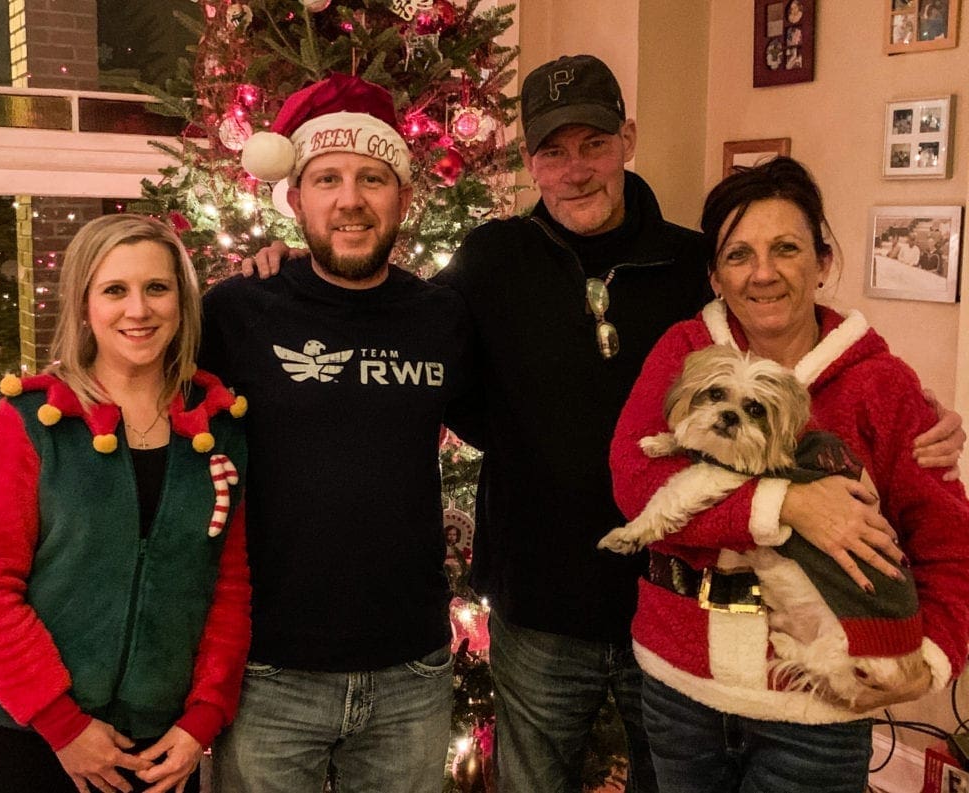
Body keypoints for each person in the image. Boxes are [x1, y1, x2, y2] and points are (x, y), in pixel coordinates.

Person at [244, 55, 965, 793]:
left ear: (628, 138)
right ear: (531, 164)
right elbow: (394, 323)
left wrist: (924, 416)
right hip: (539, 605)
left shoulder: (697, 264)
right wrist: (297, 270)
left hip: (671, 603)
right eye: (553, 152)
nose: (575, 169)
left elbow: (806, 349)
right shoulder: (492, 259)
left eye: (594, 144)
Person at [608, 157, 969, 793]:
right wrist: (786, 505)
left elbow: (950, 541)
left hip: (817, 709)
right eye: (739, 255)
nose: (764, 273)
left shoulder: (881, 385)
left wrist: (934, 655)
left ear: (823, 262)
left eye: (786, 249)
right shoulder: (684, 351)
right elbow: (635, 480)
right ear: (716, 274)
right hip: (678, 688)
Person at [205, 73, 474, 792]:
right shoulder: (236, 312)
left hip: (411, 672)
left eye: (372, 178)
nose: (349, 199)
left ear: (405, 198)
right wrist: (31, 433)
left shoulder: (440, 316)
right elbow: (134, 385)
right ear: (294, 197)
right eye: (326, 178)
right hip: (270, 671)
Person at [0, 214, 251, 793]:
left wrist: (201, 720)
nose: (138, 310)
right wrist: (63, 726)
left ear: (183, 302)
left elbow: (228, 590)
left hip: (162, 749)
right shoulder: (32, 425)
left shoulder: (219, 430)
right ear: (84, 304)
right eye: (115, 290)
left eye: (156, 288)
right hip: (33, 740)